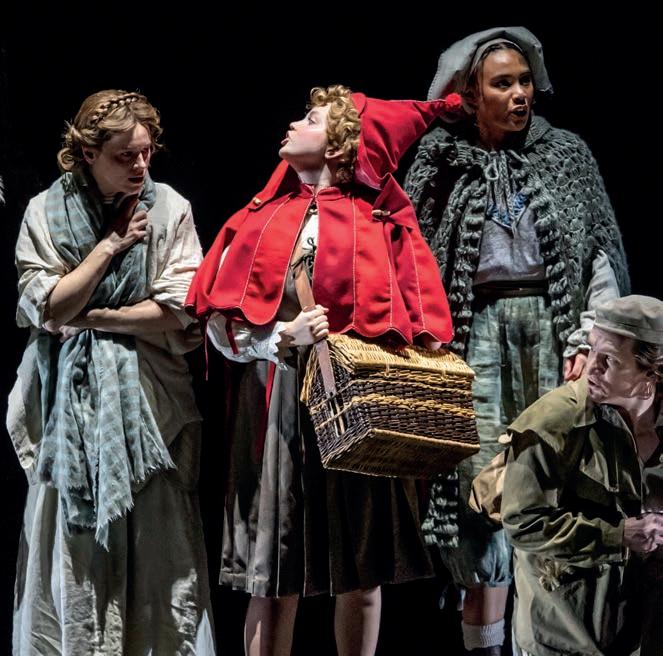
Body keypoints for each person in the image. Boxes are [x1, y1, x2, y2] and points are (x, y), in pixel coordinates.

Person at [186, 84, 453, 655]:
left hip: (356, 405)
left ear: (339, 147)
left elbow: (418, 316)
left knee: (362, 569)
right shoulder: (261, 218)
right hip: (276, 400)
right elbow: (220, 322)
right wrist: (279, 337)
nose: (293, 124)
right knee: (271, 572)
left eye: (310, 119)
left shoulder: (379, 224)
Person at [404, 27, 630, 654]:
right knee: (479, 484)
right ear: (471, 95)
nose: (519, 93)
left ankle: (553, 639)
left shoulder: (565, 155)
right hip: (473, 332)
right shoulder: (440, 161)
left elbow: (598, 256)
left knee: (554, 477)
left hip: (554, 331)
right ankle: (485, 642)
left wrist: (589, 337)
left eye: (525, 80)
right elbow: (413, 260)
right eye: (502, 83)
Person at [7, 90, 215, 654]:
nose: (140, 165)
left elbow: (178, 308)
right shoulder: (45, 212)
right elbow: (48, 306)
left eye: (147, 152)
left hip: (151, 412)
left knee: (161, 563)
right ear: (87, 153)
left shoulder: (168, 208)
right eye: (125, 156)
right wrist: (109, 247)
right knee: (71, 558)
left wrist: (93, 316)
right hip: (65, 415)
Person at [502, 294, 663, 656]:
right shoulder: (554, 423)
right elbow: (522, 522)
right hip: (566, 632)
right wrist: (618, 535)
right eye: (592, 350)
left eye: (610, 360)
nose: (592, 368)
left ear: (652, 372)